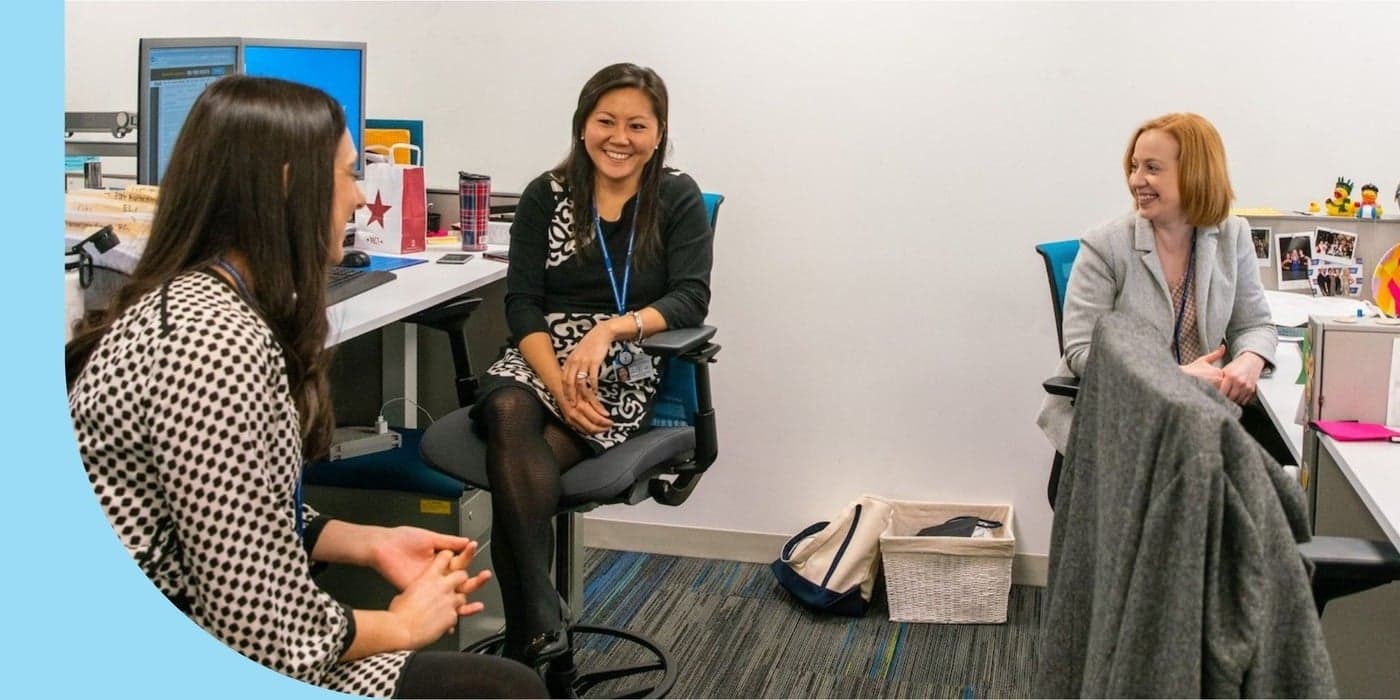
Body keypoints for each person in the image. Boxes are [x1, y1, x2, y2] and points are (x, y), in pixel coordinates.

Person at [67, 75, 545, 699]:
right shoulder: (210, 344)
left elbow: (237, 510)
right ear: (291, 186)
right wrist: (400, 625)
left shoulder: (211, 304)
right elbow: (264, 640)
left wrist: (366, 541)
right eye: (348, 175)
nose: (359, 197)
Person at [469, 63, 713, 665]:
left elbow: (689, 297)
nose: (619, 138)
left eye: (637, 125)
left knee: (516, 470)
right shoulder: (545, 194)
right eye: (606, 121)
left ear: (659, 133)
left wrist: (609, 329)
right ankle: (541, 620)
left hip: (625, 363)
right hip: (539, 359)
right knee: (507, 409)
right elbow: (522, 302)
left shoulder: (675, 196)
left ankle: (531, 633)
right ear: (583, 125)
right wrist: (558, 383)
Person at [1037, 112, 1277, 460]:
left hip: (1198, 414)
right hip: (1123, 416)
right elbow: (1082, 354)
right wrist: (1174, 376)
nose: (1136, 180)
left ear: (1195, 172)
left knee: (1281, 464)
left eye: (1152, 168)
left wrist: (1250, 360)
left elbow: (1255, 324)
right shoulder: (1105, 245)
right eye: (1134, 167)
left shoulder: (1232, 235)